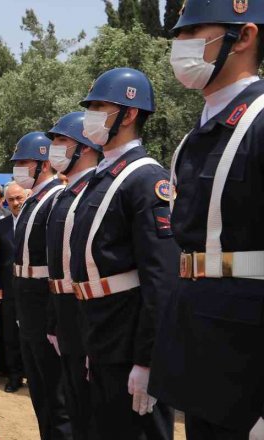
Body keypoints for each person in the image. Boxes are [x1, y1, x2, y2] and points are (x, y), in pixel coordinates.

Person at [149, 4, 264, 439]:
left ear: (245, 36)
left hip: (249, 359)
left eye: (195, 30)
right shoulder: (195, 136)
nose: (181, 44)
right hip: (202, 347)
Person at [70, 68, 177, 440]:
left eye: (100, 106)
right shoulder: (106, 175)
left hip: (130, 340)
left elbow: (160, 279)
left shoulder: (145, 179)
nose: (91, 115)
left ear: (129, 113)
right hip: (103, 335)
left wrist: (147, 360)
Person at [10, 132, 71, 440]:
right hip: (27, 303)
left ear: (44, 164)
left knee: (57, 398)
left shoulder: (56, 199)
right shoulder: (33, 200)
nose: (18, 168)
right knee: (40, 394)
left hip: (44, 302)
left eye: (24, 162)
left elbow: (58, 264)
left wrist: (53, 317)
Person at [44, 111, 102, 440]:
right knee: (75, 404)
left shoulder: (94, 191)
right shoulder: (66, 194)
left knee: (91, 410)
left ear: (85, 147)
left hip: (87, 313)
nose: (54, 148)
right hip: (66, 312)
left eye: (62, 141)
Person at [0, 182, 26, 393]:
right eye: (11, 199)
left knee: (32, 333)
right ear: (5, 201)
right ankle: (14, 376)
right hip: (8, 287)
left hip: (32, 287)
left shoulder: (37, 220)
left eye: (19, 198)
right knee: (10, 334)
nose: (16, 203)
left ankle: (31, 374)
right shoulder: (1, 226)